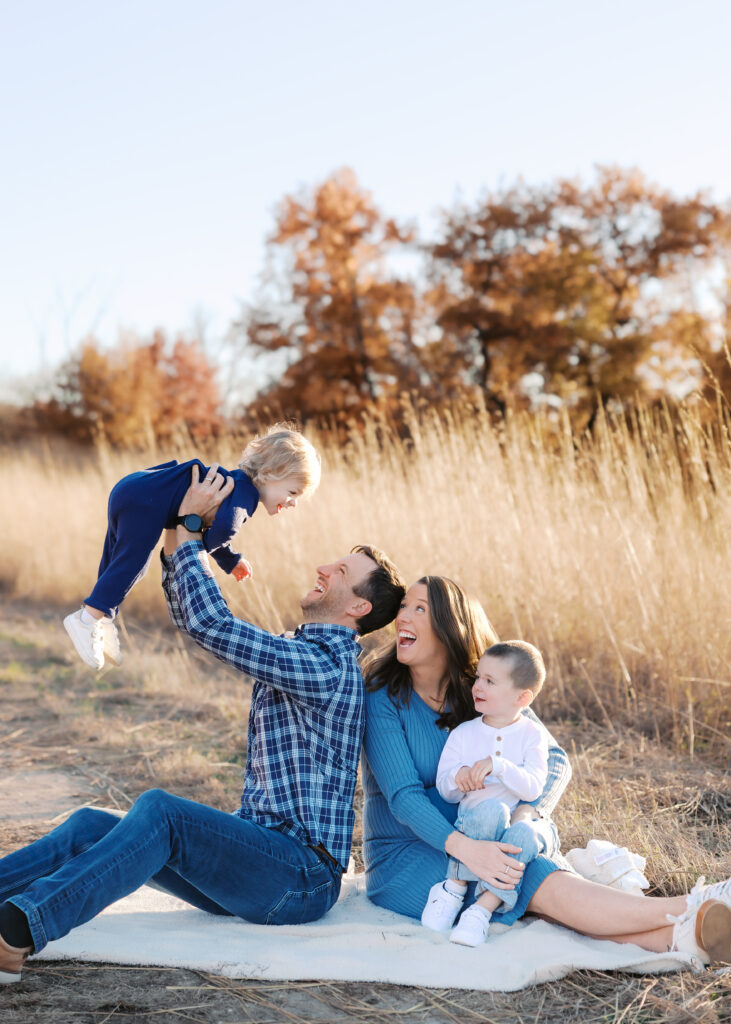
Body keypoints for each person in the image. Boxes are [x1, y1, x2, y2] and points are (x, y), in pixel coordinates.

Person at [0, 468, 406, 984]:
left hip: (299, 876)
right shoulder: (301, 650)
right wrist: (177, 533)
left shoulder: (327, 667)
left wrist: (193, 529)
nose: (324, 567)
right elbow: (201, 621)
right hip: (260, 858)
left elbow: (213, 625)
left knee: (161, 813)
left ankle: (18, 930)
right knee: (87, 824)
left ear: (358, 607)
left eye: (341, 570)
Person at [362, 575, 731, 966]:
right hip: (410, 853)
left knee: (527, 868)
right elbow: (404, 798)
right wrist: (471, 850)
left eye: (420, 609)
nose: (403, 616)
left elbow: (553, 759)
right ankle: (693, 903)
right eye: (404, 606)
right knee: (535, 879)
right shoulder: (383, 696)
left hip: (494, 834)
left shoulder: (481, 686)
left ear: (451, 627)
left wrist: (528, 812)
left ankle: (685, 938)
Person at [64, 422, 321, 671]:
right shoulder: (246, 497)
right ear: (272, 471)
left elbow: (216, 532)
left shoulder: (236, 484)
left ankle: (103, 619)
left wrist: (229, 560)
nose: (294, 503)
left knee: (118, 559)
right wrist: (200, 551)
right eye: (294, 492)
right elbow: (223, 529)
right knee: (132, 563)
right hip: (146, 501)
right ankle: (87, 619)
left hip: (135, 485)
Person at [425, 640, 557, 946]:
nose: (478, 687)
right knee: (491, 810)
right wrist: (459, 779)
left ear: (522, 697)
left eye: (490, 681)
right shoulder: (465, 733)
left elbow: (534, 786)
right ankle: (452, 888)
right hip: (477, 825)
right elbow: (446, 789)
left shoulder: (531, 735)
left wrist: (498, 765)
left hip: (511, 834)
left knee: (525, 835)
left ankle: (481, 911)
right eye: (479, 678)